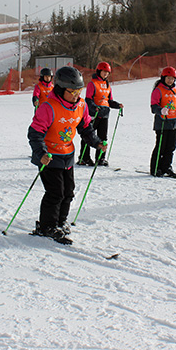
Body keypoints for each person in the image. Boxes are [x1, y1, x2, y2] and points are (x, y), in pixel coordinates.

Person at [27, 66, 107, 244]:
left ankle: (60, 221)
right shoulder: (48, 107)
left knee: (68, 192)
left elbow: (85, 128)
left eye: (79, 91)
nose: (76, 95)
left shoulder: (81, 105)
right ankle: (47, 226)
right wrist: (41, 153)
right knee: (55, 193)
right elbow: (35, 133)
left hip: (67, 154)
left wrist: (96, 142)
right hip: (49, 157)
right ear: (61, 89)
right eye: (72, 92)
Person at [77, 62, 123, 166]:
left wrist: (117, 105)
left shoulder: (107, 85)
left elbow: (109, 101)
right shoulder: (92, 83)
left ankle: (101, 158)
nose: (105, 74)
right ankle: (84, 158)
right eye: (104, 72)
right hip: (94, 114)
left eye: (107, 72)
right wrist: (94, 107)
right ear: (99, 71)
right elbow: (88, 99)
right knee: (89, 135)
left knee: (103, 137)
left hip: (104, 114)